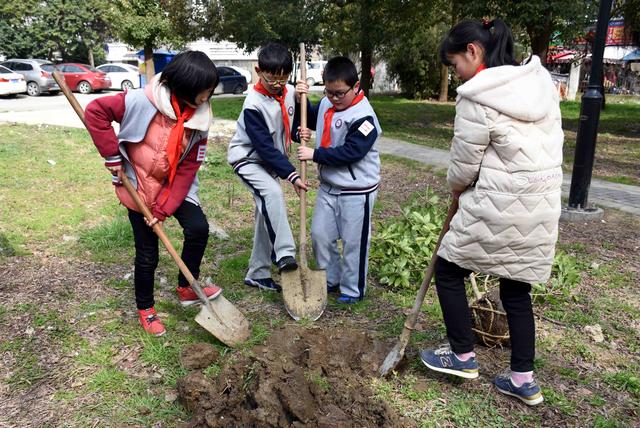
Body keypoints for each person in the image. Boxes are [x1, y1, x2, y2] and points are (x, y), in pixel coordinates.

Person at [418, 19, 563, 406]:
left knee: (448, 269)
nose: (456, 74)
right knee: (517, 289)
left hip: (501, 201)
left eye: (454, 64)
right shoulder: (540, 85)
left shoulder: (477, 94)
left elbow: (465, 165)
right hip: (543, 204)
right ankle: (523, 379)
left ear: (473, 51)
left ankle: (462, 355)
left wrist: (456, 188)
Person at [85, 51, 223, 336]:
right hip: (139, 185)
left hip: (174, 185)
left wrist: (163, 210)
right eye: (205, 91)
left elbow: (187, 170)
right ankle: (146, 308)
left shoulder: (199, 121)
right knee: (148, 254)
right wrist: (112, 156)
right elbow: (96, 112)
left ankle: (187, 287)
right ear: (184, 87)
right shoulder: (140, 100)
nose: (208, 97)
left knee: (198, 228)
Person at [296, 56, 382, 304]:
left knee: (354, 243)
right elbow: (311, 117)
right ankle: (330, 279)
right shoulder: (327, 102)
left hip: (357, 190)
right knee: (320, 235)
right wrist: (299, 96)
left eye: (340, 93)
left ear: (355, 87)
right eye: (329, 92)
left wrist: (315, 154)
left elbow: (352, 152)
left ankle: (353, 290)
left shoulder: (364, 117)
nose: (334, 98)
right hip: (329, 187)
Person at [227, 42, 308, 292]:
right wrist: (292, 175)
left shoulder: (290, 92)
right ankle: (284, 255)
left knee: (266, 213)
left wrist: (304, 105)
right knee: (272, 194)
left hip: (270, 163)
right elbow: (265, 147)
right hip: (249, 160)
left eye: (283, 79)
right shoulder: (253, 104)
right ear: (258, 70)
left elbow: (294, 122)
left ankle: (258, 272)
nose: (277, 84)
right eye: (272, 79)